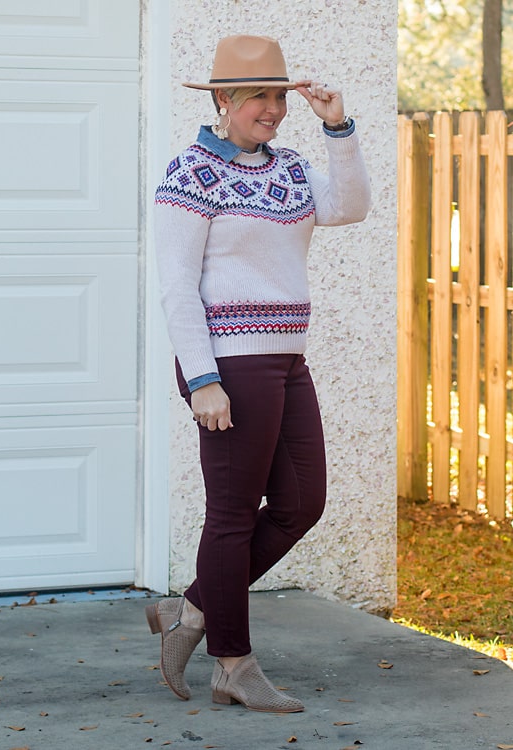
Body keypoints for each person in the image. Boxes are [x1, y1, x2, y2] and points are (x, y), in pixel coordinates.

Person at [145, 34, 371, 713]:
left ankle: (190, 611)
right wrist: (202, 377)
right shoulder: (188, 174)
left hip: (286, 360)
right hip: (228, 367)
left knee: (303, 502)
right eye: (258, 98)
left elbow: (350, 205)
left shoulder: (293, 167)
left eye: (279, 96)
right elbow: (179, 289)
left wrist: (337, 127)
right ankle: (232, 665)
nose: (273, 109)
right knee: (234, 516)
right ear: (223, 101)